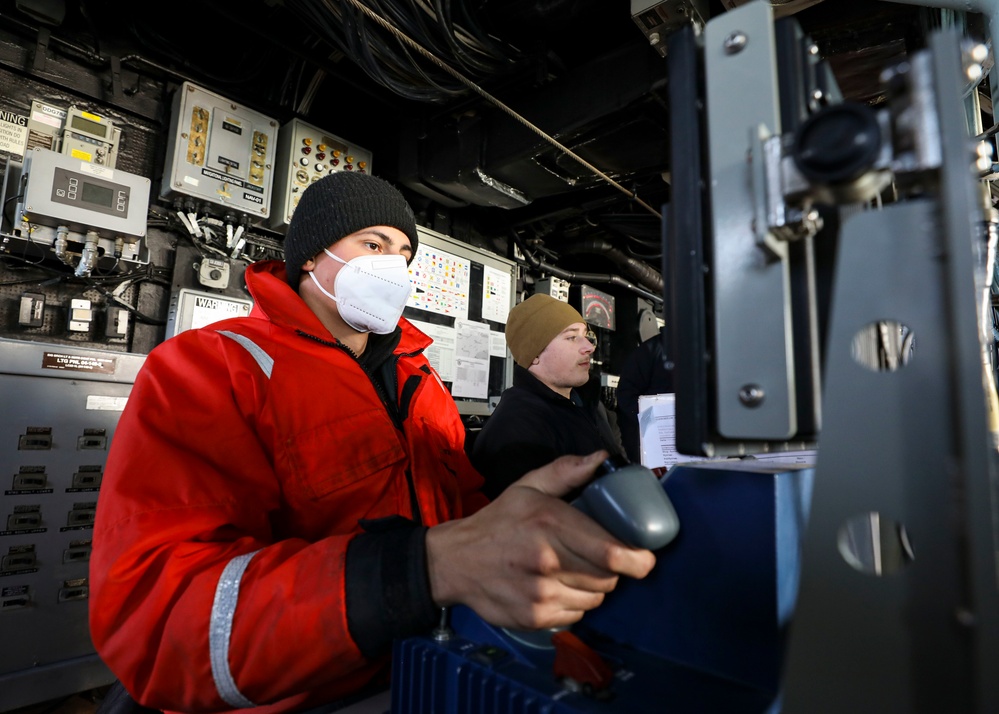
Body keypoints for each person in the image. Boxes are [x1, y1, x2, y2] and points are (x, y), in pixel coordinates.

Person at [88, 171, 656, 714]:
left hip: (429, 663)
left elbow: (462, 516)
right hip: (304, 699)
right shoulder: (210, 368)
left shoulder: (419, 377)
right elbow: (159, 622)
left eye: (405, 254)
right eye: (374, 243)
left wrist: (515, 530)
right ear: (312, 255)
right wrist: (415, 571)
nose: (395, 266)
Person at [470, 293, 627, 499]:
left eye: (587, 336)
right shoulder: (515, 429)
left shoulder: (591, 406)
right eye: (572, 337)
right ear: (534, 355)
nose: (589, 347)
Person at [615, 326, 674, 464]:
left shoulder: (710, 351)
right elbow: (626, 395)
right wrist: (654, 421)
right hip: (655, 446)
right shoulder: (650, 351)